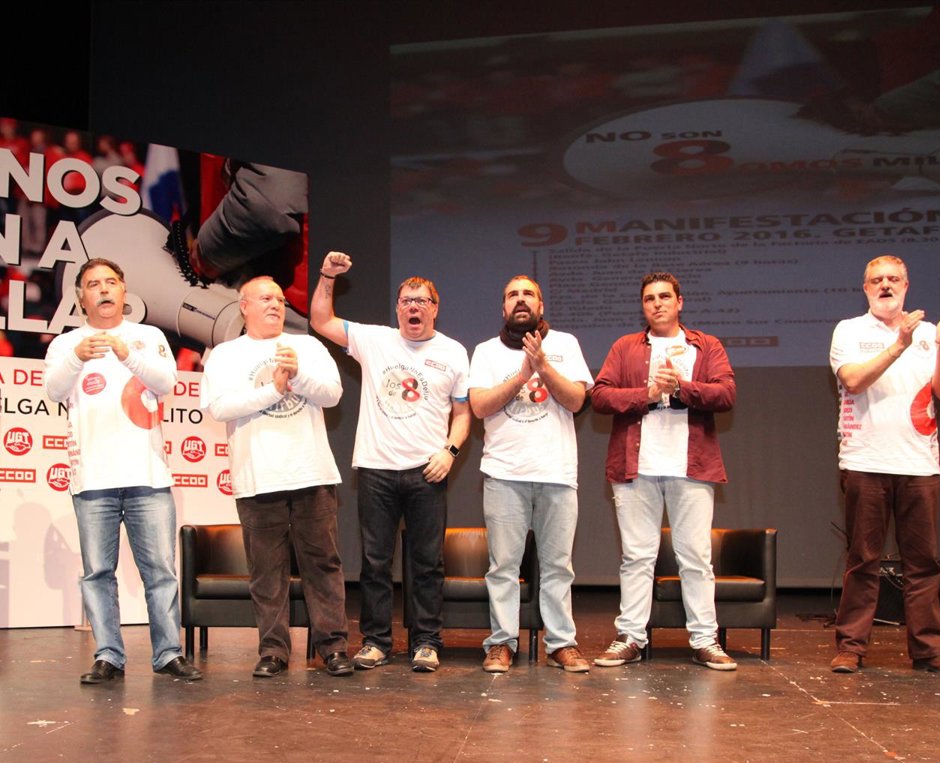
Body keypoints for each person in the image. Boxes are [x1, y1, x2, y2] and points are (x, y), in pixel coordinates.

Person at [310, 251, 470, 672]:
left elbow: (463, 414)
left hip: (428, 471)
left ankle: (426, 642)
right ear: (397, 308)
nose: (414, 307)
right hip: (377, 469)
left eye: (422, 301)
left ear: (435, 308)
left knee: (427, 564)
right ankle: (377, 641)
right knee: (375, 562)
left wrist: (450, 452)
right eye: (406, 301)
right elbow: (321, 320)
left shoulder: (454, 351)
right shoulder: (374, 339)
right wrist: (327, 276)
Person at [43, 258, 201, 684]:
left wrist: (127, 354)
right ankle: (108, 655)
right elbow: (54, 390)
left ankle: (168, 653)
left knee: (160, 573)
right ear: (81, 297)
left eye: (110, 282)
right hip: (92, 479)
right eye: (93, 284)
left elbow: (167, 383)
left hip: (148, 476)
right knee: (98, 573)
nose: (103, 289)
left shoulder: (148, 337)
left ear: (124, 289)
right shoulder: (66, 344)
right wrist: (77, 358)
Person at [201, 277, 352, 678]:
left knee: (323, 565)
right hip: (257, 477)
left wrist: (297, 375)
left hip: (311, 472)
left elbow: (333, 394)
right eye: (266, 298)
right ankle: (273, 651)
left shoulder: (307, 346)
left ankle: (333, 648)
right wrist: (273, 390)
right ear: (244, 306)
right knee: (266, 571)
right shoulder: (225, 355)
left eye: (281, 300)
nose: (276, 305)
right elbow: (219, 407)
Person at [590, 272, 738, 670]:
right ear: (643, 306)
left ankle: (705, 640)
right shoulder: (625, 347)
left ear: (679, 302)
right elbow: (600, 396)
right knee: (637, 557)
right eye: (649, 298)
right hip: (635, 467)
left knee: (696, 557)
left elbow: (726, 393)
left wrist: (683, 387)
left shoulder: (705, 345)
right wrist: (649, 394)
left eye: (664, 297)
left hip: (691, 467)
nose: (657, 304)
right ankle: (630, 638)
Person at [828, 255, 940, 675]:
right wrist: (899, 344)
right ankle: (851, 647)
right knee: (863, 559)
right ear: (865, 288)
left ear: (906, 286)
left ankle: (930, 651)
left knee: (923, 562)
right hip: (865, 459)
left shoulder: (929, 333)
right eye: (877, 280)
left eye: (893, 279)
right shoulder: (849, 330)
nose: (885, 285)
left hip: (919, 462)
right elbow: (853, 380)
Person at [468, 276, 592, 673]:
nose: (520, 300)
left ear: (540, 305)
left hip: (557, 472)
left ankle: (561, 644)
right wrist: (522, 375)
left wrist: (543, 367)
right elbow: (479, 406)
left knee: (558, 567)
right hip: (505, 473)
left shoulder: (566, 344)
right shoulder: (486, 351)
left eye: (528, 294)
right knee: (503, 567)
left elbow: (577, 400)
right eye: (512, 295)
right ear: (503, 308)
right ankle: (501, 643)